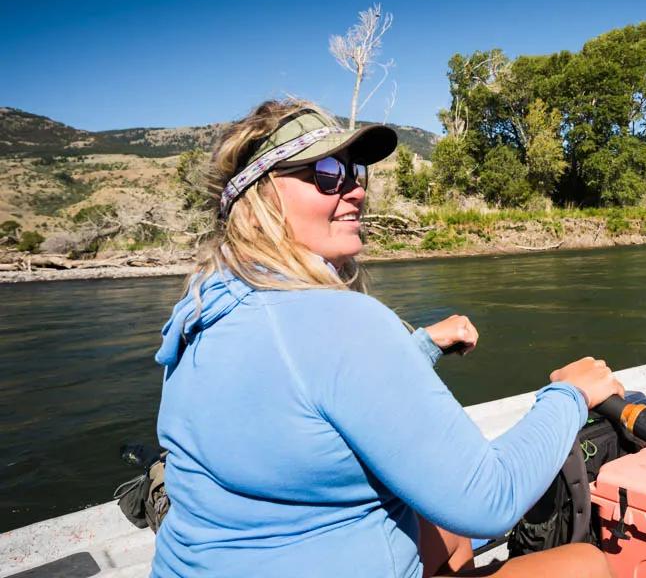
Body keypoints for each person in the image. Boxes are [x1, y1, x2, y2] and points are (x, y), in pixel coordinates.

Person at [151, 99, 619, 577]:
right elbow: (490, 498)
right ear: (257, 199)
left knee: (448, 534)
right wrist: (570, 394)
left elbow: (291, 396)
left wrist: (418, 348)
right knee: (585, 564)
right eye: (326, 173)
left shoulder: (201, 310)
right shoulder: (338, 321)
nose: (354, 190)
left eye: (355, 172)